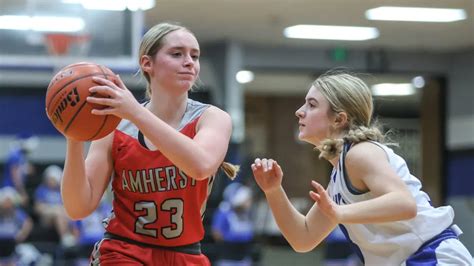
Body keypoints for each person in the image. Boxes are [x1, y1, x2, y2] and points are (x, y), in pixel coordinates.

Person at [251, 70, 473, 265]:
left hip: (431, 256)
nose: (300, 111)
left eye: (312, 104)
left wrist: (340, 212)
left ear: (339, 119)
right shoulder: (340, 174)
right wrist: (273, 191)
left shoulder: (360, 152)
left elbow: (404, 203)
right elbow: (304, 238)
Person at [60, 22, 237, 265]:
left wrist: (134, 112)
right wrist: (73, 138)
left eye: (194, 56)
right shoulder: (115, 126)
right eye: (177, 54)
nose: (189, 62)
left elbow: (201, 166)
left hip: (186, 253)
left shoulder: (212, 118)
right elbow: (77, 207)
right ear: (147, 63)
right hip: (124, 250)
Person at [211, 183, 255, 266]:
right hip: (228, 258)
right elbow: (216, 233)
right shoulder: (224, 211)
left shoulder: (246, 214)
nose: (250, 203)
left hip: (243, 258)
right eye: (247, 200)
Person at [34, 165, 75, 248]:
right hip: (46, 217)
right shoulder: (41, 190)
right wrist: (53, 209)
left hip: (60, 215)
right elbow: (38, 208)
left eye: (53, 179)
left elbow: (66, 205)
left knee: (66, 214)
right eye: (49, 179)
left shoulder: (61, 190)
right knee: (58, 213)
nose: (51, 181)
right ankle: (64, 237)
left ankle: (74, 236)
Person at [0, 187, 33, 266]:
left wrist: (21, 235)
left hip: (11, 241)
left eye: (10, 201)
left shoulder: (16, 212)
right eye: (6, 201)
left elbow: (28, 223)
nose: (8, 204)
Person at [1, 134, 38, 205]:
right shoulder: (15, 155)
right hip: (10, 190)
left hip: (14, 189)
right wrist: (22, 192)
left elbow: (20, 171)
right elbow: (16, 177)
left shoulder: (20, 156)